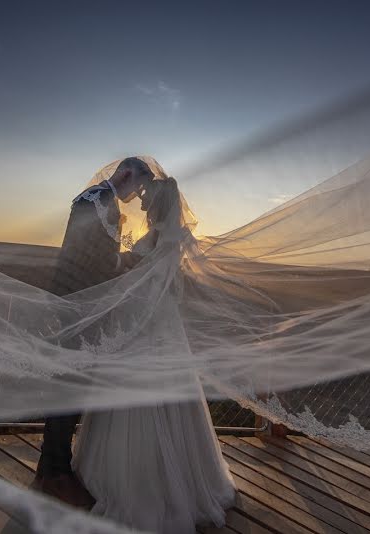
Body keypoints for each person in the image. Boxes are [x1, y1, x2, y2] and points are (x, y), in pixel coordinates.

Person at [70, 177, 237, 533]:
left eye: (147, 199)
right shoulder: (166, 234)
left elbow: (150, 279)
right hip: (156, 321)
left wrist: (117, 263)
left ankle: (144, 485)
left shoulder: (163, 236)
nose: (142, 203)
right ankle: (168, 476)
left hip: (147, 321)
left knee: (143, 395)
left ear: (160, 203)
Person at [31, 157, 154, 508]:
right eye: (138, 187)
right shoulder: (99, 202)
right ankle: (56, 474)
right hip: (80, 304)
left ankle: (48, 469)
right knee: (71, 389)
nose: (137, 195)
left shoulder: (94, 198)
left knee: (70, 387)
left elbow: (93, 255)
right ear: (127, 175)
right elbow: (98, 261)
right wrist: (134, 262)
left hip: (77, 301)